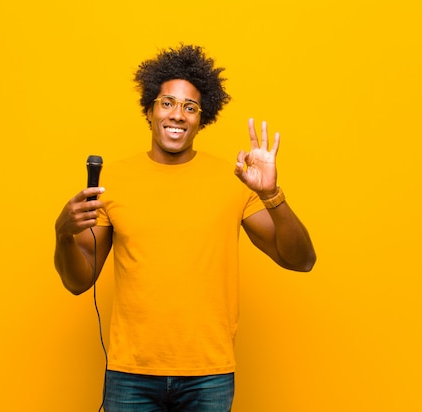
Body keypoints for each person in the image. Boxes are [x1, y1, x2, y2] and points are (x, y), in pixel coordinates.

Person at [54, 44, 316, 412]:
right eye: (167, 103)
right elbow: (78, 282)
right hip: (130, 375)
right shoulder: (113, 181)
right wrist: (63, 234)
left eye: (190, 107)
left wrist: (272, 195)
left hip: (208, 376)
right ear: (149, 110)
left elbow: (301, 260)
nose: (177, 115)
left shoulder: (233, 181)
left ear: (201, 119)